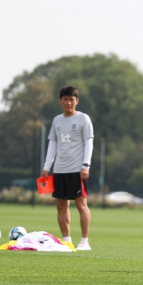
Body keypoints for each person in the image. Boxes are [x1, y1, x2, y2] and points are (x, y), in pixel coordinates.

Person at [41, 86, 94, 251]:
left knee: (80, 205)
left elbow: (89, 143)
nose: (69, 102)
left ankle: (84, 241)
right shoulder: (57, 120)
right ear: (60, 101)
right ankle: (66, 241)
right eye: (66, 99)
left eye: (72, 99)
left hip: (77, 170)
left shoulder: (83, 119)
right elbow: (53, 144)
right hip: (60, 169)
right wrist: (46, 167)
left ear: (77, 101)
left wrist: (86, 165)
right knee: (61, 205)